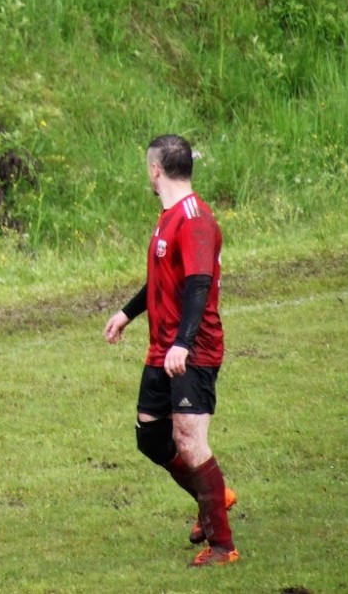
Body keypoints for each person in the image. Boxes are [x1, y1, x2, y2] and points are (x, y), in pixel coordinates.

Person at [103, 135, 240, 567]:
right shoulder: (169, 216)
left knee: (189, 440)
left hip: (192, 350)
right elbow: (164, 277)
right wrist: (127, 313)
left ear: (155, 170)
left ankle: (223, 547)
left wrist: (183, 342)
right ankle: (214, 494)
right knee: (151, 437)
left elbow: (198, 285)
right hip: (163, 348)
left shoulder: (194, 220)